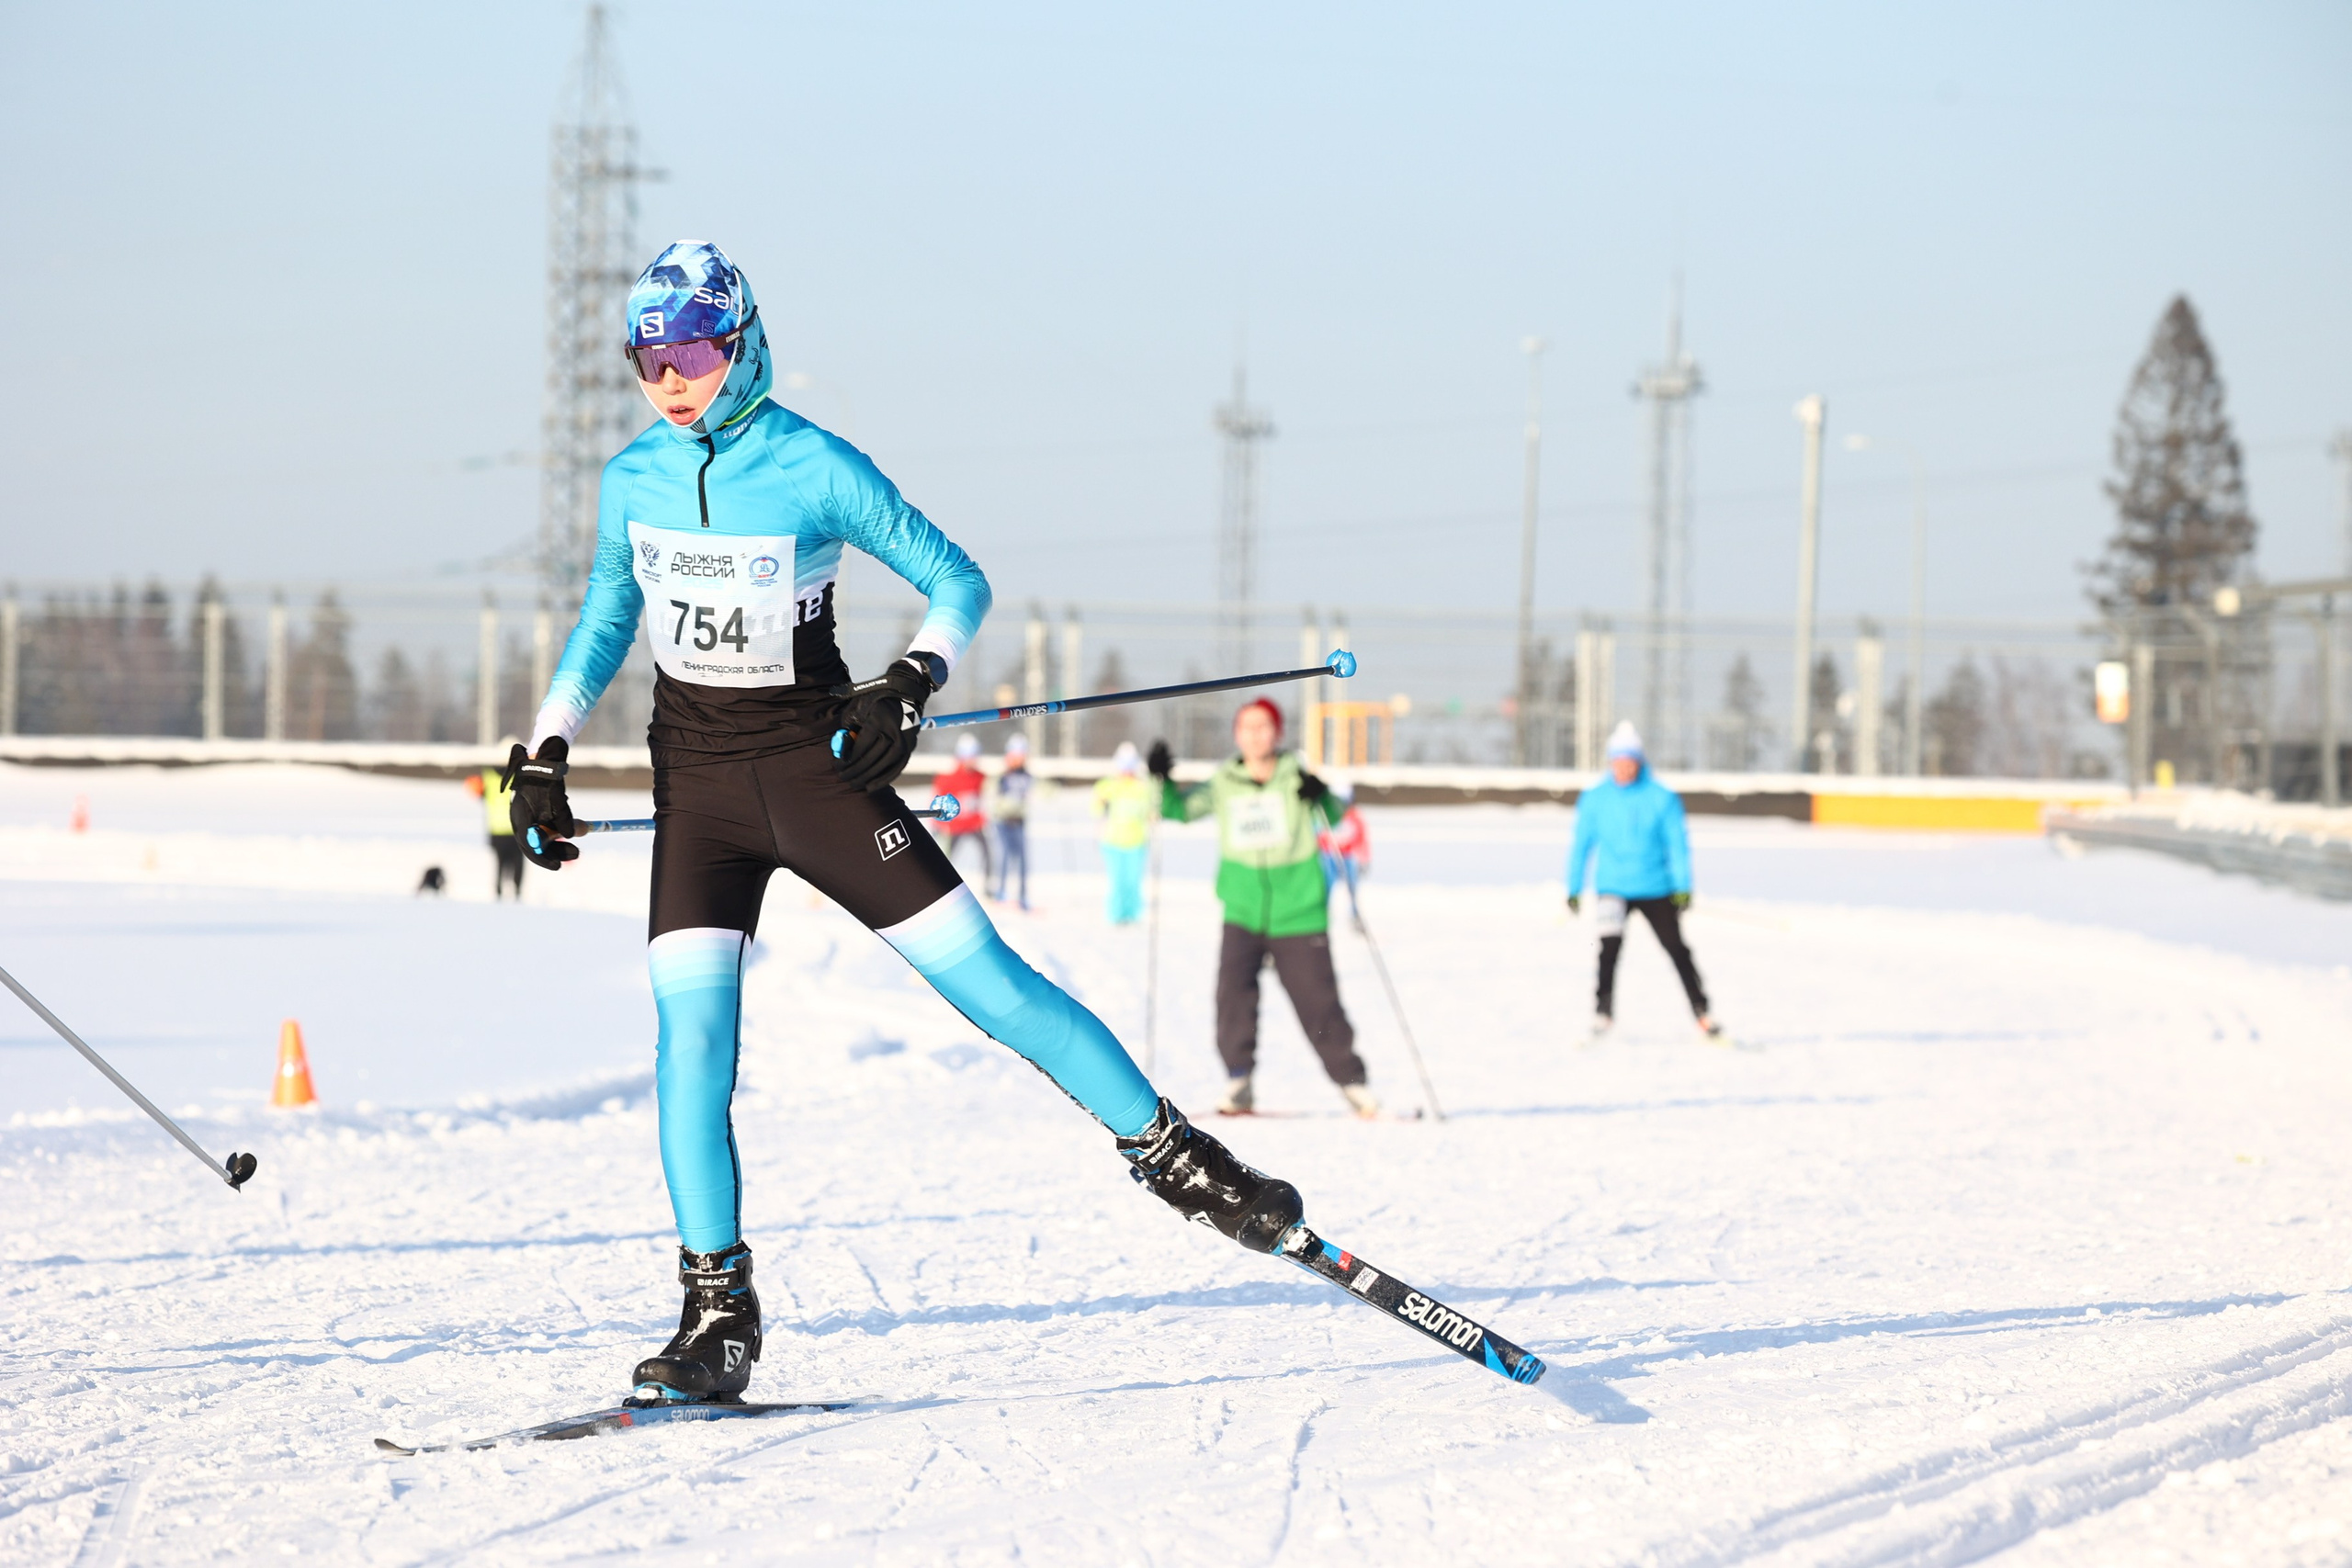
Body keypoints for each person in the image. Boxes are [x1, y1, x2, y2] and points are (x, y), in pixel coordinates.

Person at [501, 241, 1305, 1404]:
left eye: (690, 350)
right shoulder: (632, 479)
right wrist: (545, 748)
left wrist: (912, 679)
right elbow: (605, 616)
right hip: (702, 796)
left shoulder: (813, 464)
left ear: (741, 344)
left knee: (992, 988)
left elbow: (958, 577)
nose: (669, 378)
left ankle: (1183, 1160)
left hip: (820, 778)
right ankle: (717, 1311)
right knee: (691, 1051)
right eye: (646, 357)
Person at [1149, 700, 1379, 1119]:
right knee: (1233, 996)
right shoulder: (1225, 781)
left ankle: (1353, 1083)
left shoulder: (1295, 776)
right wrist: (1162, 780)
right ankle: (1239, 1080)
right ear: (1237, 735)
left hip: (1299, 910)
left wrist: (1320, 795)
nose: (1255, 736)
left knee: (1318, 1003)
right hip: (1243, 910)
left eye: (1264, 727)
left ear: (1278, 732)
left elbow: (1334, 815)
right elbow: (1177, 810)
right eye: (1247, 728)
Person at [1565, 721, 1724, 1043]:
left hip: (1656, 888)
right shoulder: (1595, 799)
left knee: (1677, 950)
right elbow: (1581, 846)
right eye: (1618, 762)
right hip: (1613, 888)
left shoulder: (1661, 798)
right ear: (1611, 763)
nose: (1624, 769)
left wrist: (1682, 887)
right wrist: (1574, 888)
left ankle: (1702, 1012)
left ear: (1639, 762)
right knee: (1608, 950)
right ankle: (1603, 1013)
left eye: (1629, 762)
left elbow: (1678, 845)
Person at [1091, 741, 1153, 925]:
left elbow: (1150, 811)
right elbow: (1095, 810)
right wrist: (1101, 803)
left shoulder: (1143, 787)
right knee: (1117, 882)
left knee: (1133, 883)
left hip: (1136, 842)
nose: (1126, 771)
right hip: (1112, 842)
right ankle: (1115, 916)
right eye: (1123, 766)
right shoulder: (1107, 785)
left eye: (1130, 766)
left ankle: (1133, 916)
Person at [465, 746, 525, 899]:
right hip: (518, 829)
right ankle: (517, 894)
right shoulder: (520, 774)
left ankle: (498, 894)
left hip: (496, 830)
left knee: (500, 864)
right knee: (518, 864)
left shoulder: (488, 776)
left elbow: (473, 788)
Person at [933, 734, 992, 886]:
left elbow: (984, 798)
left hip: (974, 825)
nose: (973, 761)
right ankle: (941, 885)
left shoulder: (980, 776)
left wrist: (983, 819)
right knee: (944, 859)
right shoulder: (948, 777)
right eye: (969, 757)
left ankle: (988, 885)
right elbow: (937, 801)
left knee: (988, 853)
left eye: (975, 756)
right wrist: (939, 825)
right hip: (954, 827)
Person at [989, 734, 1034, 909]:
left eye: (1022, 757)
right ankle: (1000, 893)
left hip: (1020, 822)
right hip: (1002, 822)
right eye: (1016, 757)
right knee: (1004, 857)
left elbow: (1043, 790)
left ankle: (1022, 896)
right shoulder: (1003, 777)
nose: (1019, 761)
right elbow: (991, 792)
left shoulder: (1027, 776)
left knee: (1023, 860)